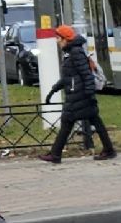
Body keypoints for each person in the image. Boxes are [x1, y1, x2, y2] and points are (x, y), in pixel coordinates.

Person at [37, 26, 114, 163]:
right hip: (79, 94)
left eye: (58, 38)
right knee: (94, 121)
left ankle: (55, 154)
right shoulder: (72, 52)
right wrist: (54, 89)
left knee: (68, 122)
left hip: (79, 95)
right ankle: (109, 150)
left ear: (66, 39)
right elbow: (70, 76)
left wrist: (89, 94)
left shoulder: (75, 53)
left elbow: (86, 75)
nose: (57, 41)